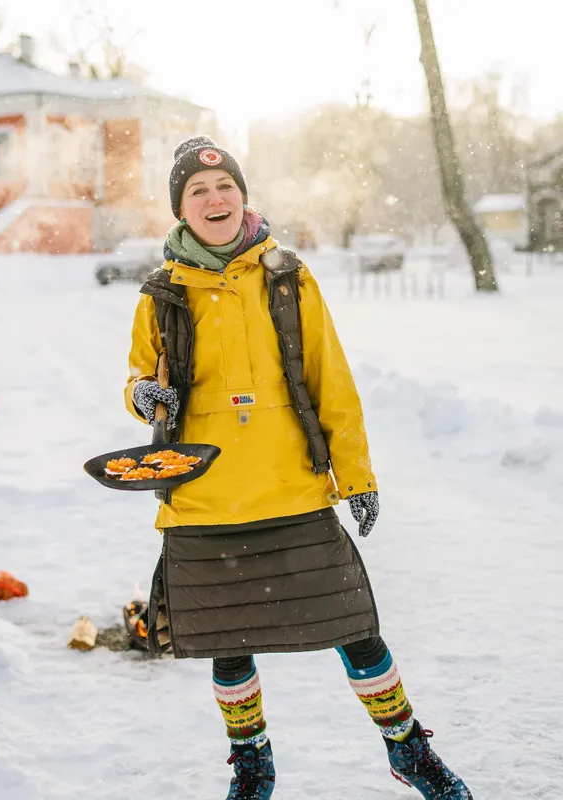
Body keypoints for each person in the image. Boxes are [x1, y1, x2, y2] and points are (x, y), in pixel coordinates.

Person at [124, 136, 473, 800]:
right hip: (204, 500)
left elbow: (331, 383)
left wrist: (358, 476)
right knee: (229, 646)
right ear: (180, 210)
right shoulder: (162, 292)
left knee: (356, 630)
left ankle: (407, 748)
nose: (214, 198)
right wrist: (142, 393)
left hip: (294, 492)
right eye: (197, 192)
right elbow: (141, 374)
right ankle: (252, 762)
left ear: (243, 195)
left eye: (224, 185)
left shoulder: (288, 276)